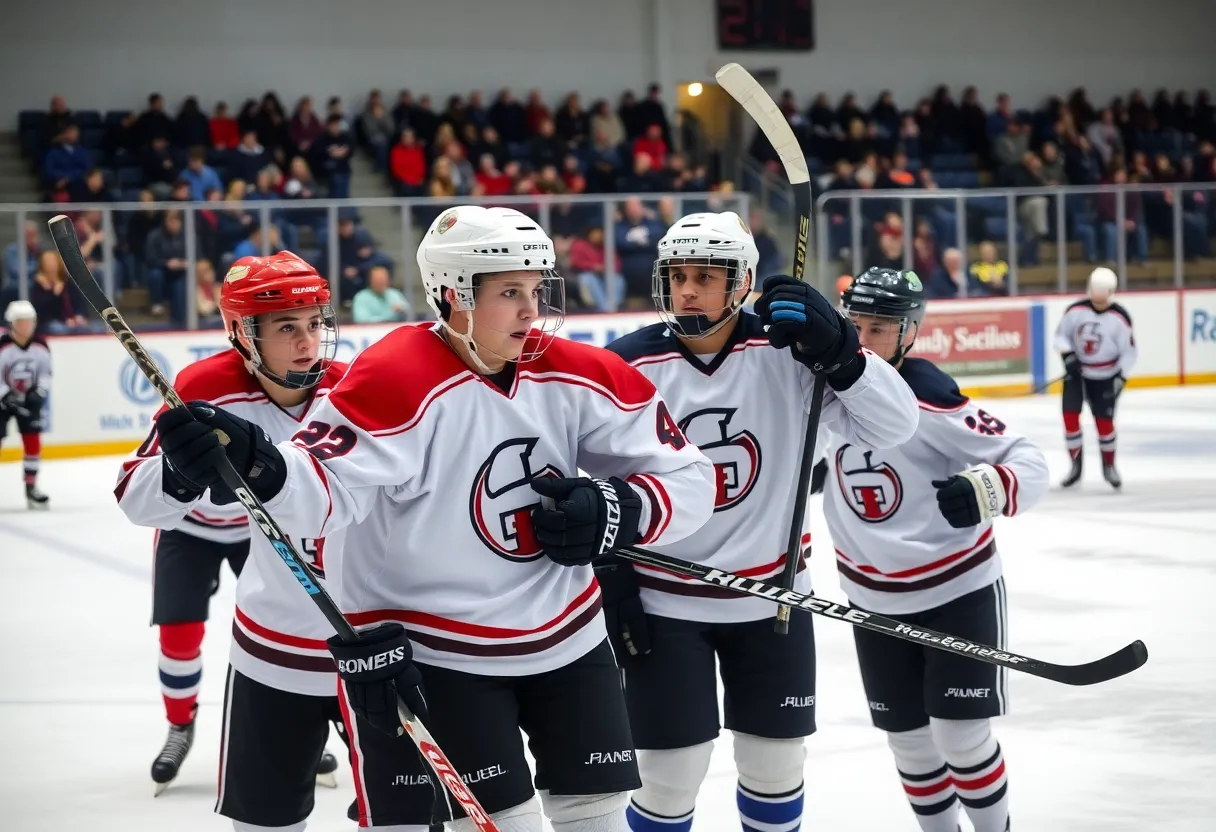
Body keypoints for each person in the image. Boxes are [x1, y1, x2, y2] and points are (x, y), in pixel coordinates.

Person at [150, 206, 718, 832]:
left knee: (599, 818)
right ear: (454, 296)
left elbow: (693, 480)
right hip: (447, 657)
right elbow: (325, 490)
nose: (533, 311)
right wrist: (264, 468)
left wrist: (623, 508)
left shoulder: (578, 370)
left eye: (536, 290)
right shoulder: (395, 375)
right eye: (510, 293)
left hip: (571, 641)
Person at [600, 214, 919, 832]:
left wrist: (844, 354)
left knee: (775, 768)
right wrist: (609, 575)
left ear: (742, 281)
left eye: (705, 277)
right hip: (665, 606)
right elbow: (589, 477)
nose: (687, 291)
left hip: (773, 600)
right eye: (677, 276)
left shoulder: (792, 354)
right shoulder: (626, 364)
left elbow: (894, 427)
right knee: (670, 777)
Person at [114, 252, 348, 821]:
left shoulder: (348, 388)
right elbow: (134, 495)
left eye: (315, 323)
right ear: (244, 335)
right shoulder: (204, 384)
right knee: (179, 627)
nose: (307, 341)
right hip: (192, 529)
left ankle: (311, 725)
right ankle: (178, 727)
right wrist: (179, 475)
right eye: (287, 327)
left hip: (259, 534)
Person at [823, 267, 1049, 832]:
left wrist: (990, 487)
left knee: (961, 736)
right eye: (855, 326)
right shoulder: (819, 389)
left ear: (910, 333)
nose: (863, 341)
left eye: (879, 329)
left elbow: (1029, 459)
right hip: (872, 600)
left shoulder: (930, 396)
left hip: (957, 592)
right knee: (910, 744)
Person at [1053, 266, 1137, 489]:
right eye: (1094, 290)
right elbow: (1061, 336)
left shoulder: (1120, 318)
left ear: (1111, 291)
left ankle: (1109, 466)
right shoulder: (1075, 311)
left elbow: (1129, 351)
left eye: (1102, 291)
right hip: (1077, 375)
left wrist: (1121, 377)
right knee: (1070, 418)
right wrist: (1069, 356)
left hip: (1105, 377)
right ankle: (1075, 466)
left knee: (1104, 423)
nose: (1097, 296)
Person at [0, 300, 51, 509]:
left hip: (28, 399)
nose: (25, 326)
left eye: (29, 321)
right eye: (20, 322)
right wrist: (5, 395)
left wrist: (39, 392)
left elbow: (46, 375)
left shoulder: (41, 346)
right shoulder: (3, 346)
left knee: (33, 441)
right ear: (12, 323)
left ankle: (31, 487)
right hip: (2, 402)